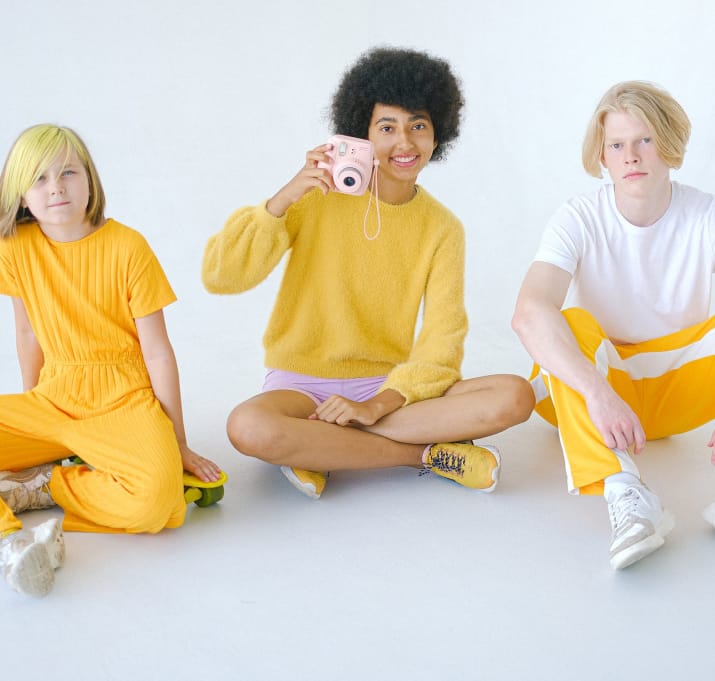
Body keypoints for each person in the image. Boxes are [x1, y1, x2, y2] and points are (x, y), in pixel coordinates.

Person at [202, 47, 534, 500]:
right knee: (248, 427)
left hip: (388, 388)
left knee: (515, 395)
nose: (405, 143)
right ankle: (425, 455)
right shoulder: (315, 196)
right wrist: (281, 200)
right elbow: (220, 276)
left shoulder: (443, 228)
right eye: (387, 127)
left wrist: (376, 405)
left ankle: (322, 447)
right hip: (300, 387)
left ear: (438, 134)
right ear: (362, 133)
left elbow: (442, 340)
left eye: (418, 126)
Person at [0, 124, 222, 597]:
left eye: (68, 172)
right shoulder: (16, 247)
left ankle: (45, 487)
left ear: (90, 180)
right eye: (39, 178)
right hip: (54, 395)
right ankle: (9, 537)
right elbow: (27, 332)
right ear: (20, 195)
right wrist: (34, 429)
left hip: (123, 396)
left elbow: (158, 351)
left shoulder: (128, 247)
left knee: (156, 499)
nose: (55, 187)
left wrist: (178, 442)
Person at [512, 80, 715, 570]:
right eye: (617, 145)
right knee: (569, 322)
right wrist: (598, 394)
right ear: (602, 156)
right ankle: (626, 493)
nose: (632, 156)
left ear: (669, 143)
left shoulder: (706, 216)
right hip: (599, 392)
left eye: (645, 140)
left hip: (679, 389)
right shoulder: (578, 217)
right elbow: (528, 313)